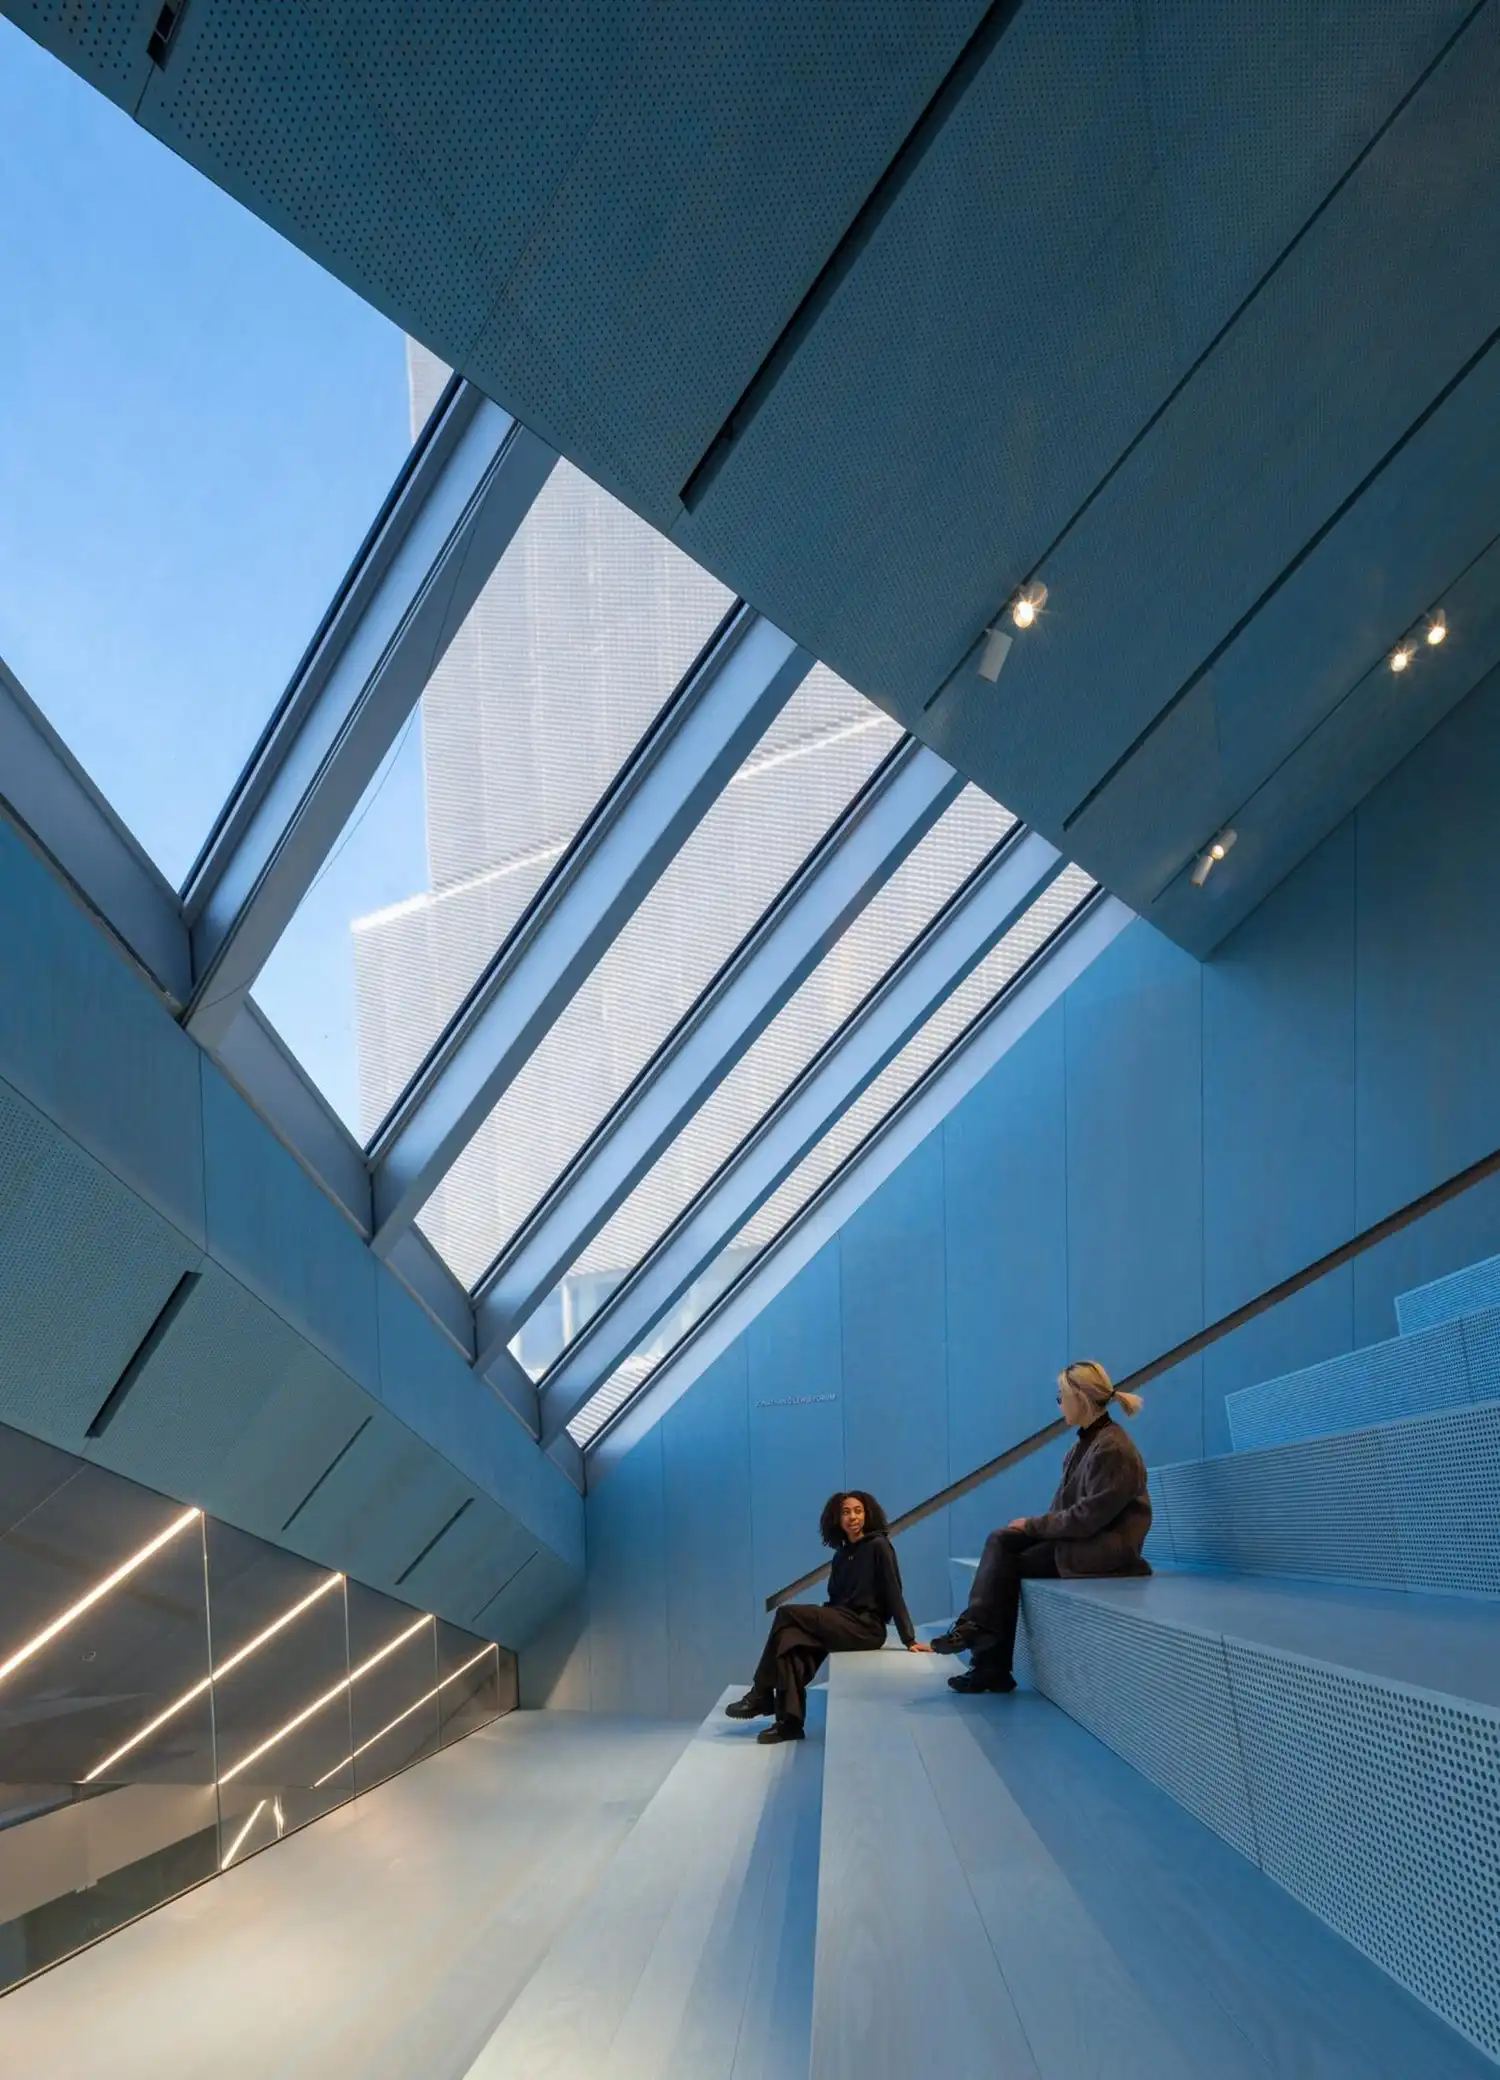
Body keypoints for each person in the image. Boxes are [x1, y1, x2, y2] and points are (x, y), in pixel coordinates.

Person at [932, 1360, 1151, 1694]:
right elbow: (1066, 1512)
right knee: (1003, 1541)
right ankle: (983, 1646)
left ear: (1080, 1397)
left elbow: (1087, 1517)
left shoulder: (1113, 1448)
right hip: (1084, 1540)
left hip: (1107, 1549)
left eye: (1061, 1395)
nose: (1059, 1403)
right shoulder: (1082, 1446)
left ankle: (986, 1655)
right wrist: (1030, 1530)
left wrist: (1032, 1526)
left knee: (1006, 1562)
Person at [726, 1491, 932, 1743]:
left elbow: (893, 1591)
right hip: (842, 1620)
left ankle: (761, 1692)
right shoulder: (840, 1556)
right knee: (789, 1640)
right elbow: (835, 1602)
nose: (853, 1517)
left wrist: (908, 1638)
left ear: (868, 1514)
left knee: (785, 1613)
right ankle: (789, 1723)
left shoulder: (879, 1545)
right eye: (846, 1512)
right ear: (836, 1519)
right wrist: (819, 1624)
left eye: (858, 1511)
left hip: (866, 1628)